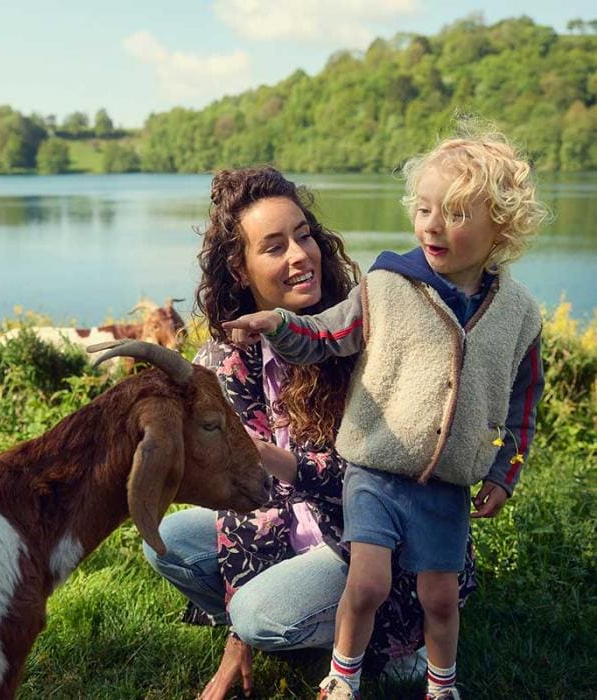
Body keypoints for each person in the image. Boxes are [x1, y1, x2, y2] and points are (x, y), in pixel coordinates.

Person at [224, 134, 547, 700]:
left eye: (454, 214)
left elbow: (523, 411)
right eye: (423, 210)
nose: (431, 226)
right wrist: (279, 325)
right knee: (367, 582)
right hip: (372, 471)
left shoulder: (520, 316)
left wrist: (504, 473)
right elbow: (327, 335)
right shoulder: (385, 286)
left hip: (447, 485)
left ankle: (439, 683)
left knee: (440, 599)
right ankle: (342, 678)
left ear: (501, 224)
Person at [143, 165, 476, 700]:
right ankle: (314, 629)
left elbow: (396, 464)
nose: (300, 255)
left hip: (379, 535)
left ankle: (395, 641)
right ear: (240, 267)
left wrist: (278, 462)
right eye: (274, 247)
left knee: (258, 615)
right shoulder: (225, 359)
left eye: (304, 236)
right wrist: (237, 639)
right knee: (167, 541)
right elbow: (240, 500)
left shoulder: (360, 328)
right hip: (292, 527)